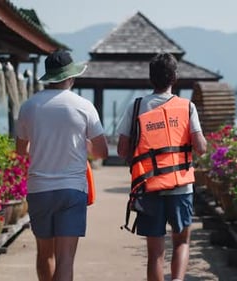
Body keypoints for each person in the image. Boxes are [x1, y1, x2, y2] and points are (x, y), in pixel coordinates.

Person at [16, 50, 108, 281]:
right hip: (71, 189)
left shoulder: (29, 106)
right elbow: (101, 152)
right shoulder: (84, 106)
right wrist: (82, 146)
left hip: (39, 189)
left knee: (44, 254)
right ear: (70, 78)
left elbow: (20, 150)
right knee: (65, 258)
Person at [116, 52, 207, 281]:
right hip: (180, 188)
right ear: (174, 78)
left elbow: (121, 150)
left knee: (155, 253)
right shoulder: (187, 107)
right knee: (181, 242)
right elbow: (201, 147)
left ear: (150, 78)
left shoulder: (136, 107)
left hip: (149, 186)